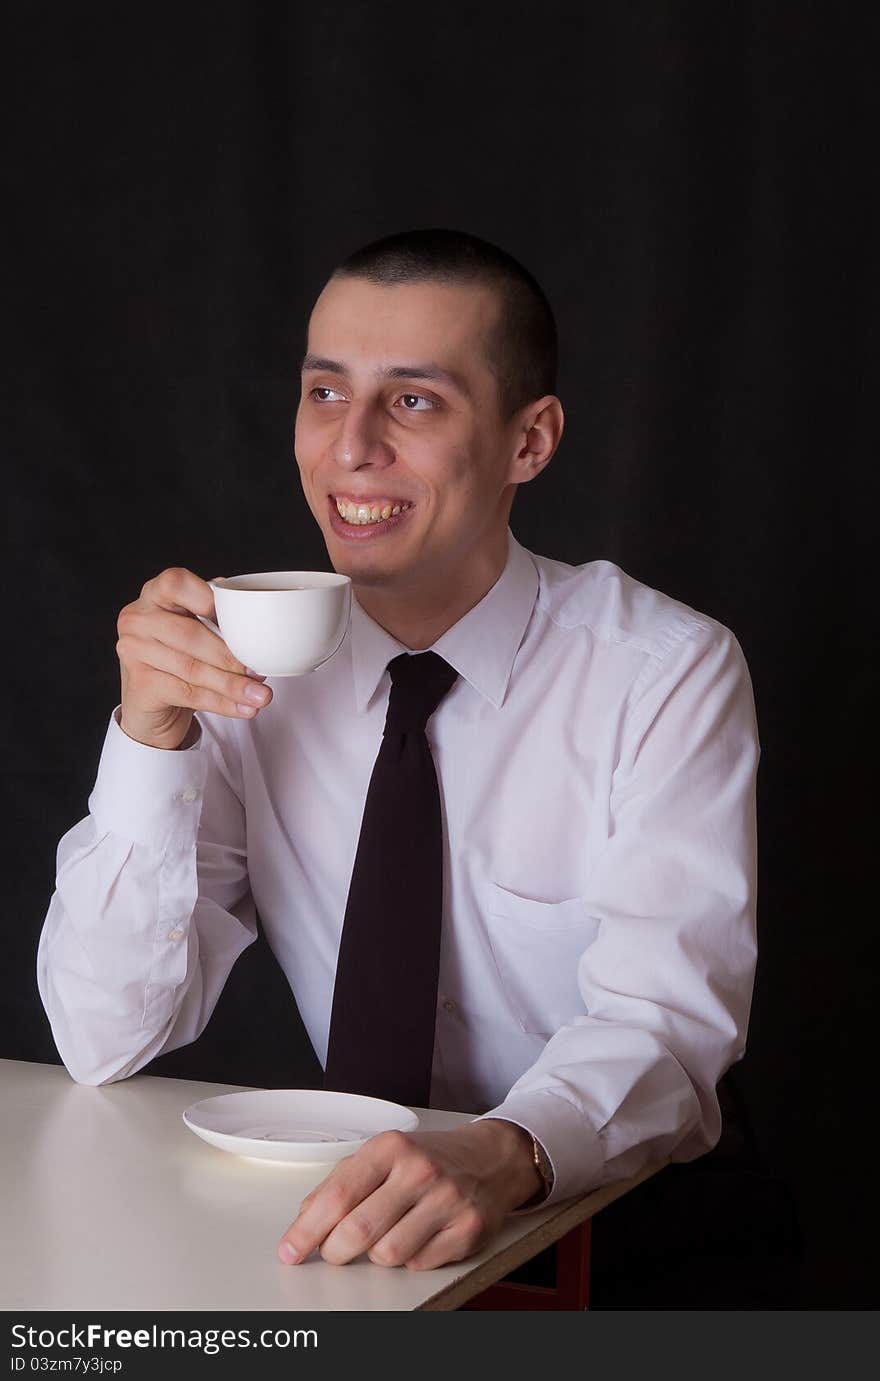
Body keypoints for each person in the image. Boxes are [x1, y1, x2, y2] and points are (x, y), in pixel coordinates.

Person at [37, 227, 759, 1275]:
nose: (351, 447)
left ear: (529, 441)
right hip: (350, 1232)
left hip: (619, 1220)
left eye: (413, 401)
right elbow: (102, 1035)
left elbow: (667, 1026)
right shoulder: (244, 674)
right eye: (325, 392)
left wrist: (501, 1152)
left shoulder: (663, 671)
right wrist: (149, 742)